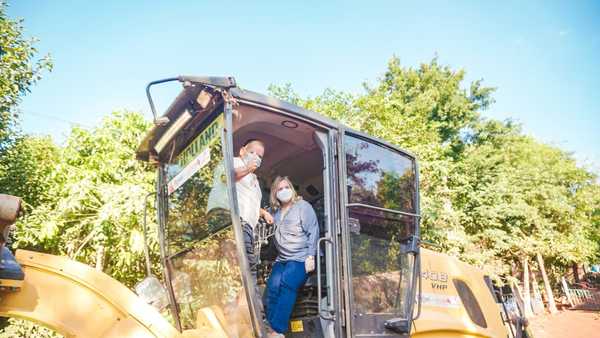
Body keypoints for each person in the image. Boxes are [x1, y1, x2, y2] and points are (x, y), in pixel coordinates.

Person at [265, 176, 319, 336]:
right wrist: (262, 212)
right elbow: (257, 213)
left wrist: (311, 256)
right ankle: (269, 327)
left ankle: (277, 330)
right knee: (272, 287)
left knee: (287, 282)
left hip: (301, 257)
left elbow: (313, 231)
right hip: (282, 259)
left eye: (286, 187)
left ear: (292, 189)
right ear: (275, 193)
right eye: (279, 189)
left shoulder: (303, 206)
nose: (284, 191)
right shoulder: (273, 212)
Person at [233, 139, 273, 319]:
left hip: (249, 227)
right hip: (238, 224)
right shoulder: (235, 162)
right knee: (249, 274)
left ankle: (248, 321)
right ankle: (259, 323)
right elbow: (228, 177)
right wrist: (249, 168)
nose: (256, 157)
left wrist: (263, 213)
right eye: (253, 153)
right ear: (242, 151)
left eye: (260, 156)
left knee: (250, 272)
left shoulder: (254, 179)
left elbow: (249, 202)